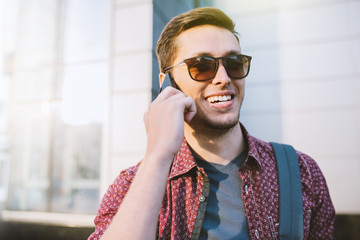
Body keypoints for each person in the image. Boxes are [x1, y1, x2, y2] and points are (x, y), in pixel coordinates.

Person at [88, 7, 335, 240]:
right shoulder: (131, 185)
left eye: (234, 63)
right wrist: (158, 153)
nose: (223, 78)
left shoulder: (303, 172)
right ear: (168, 83)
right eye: (202, 66)